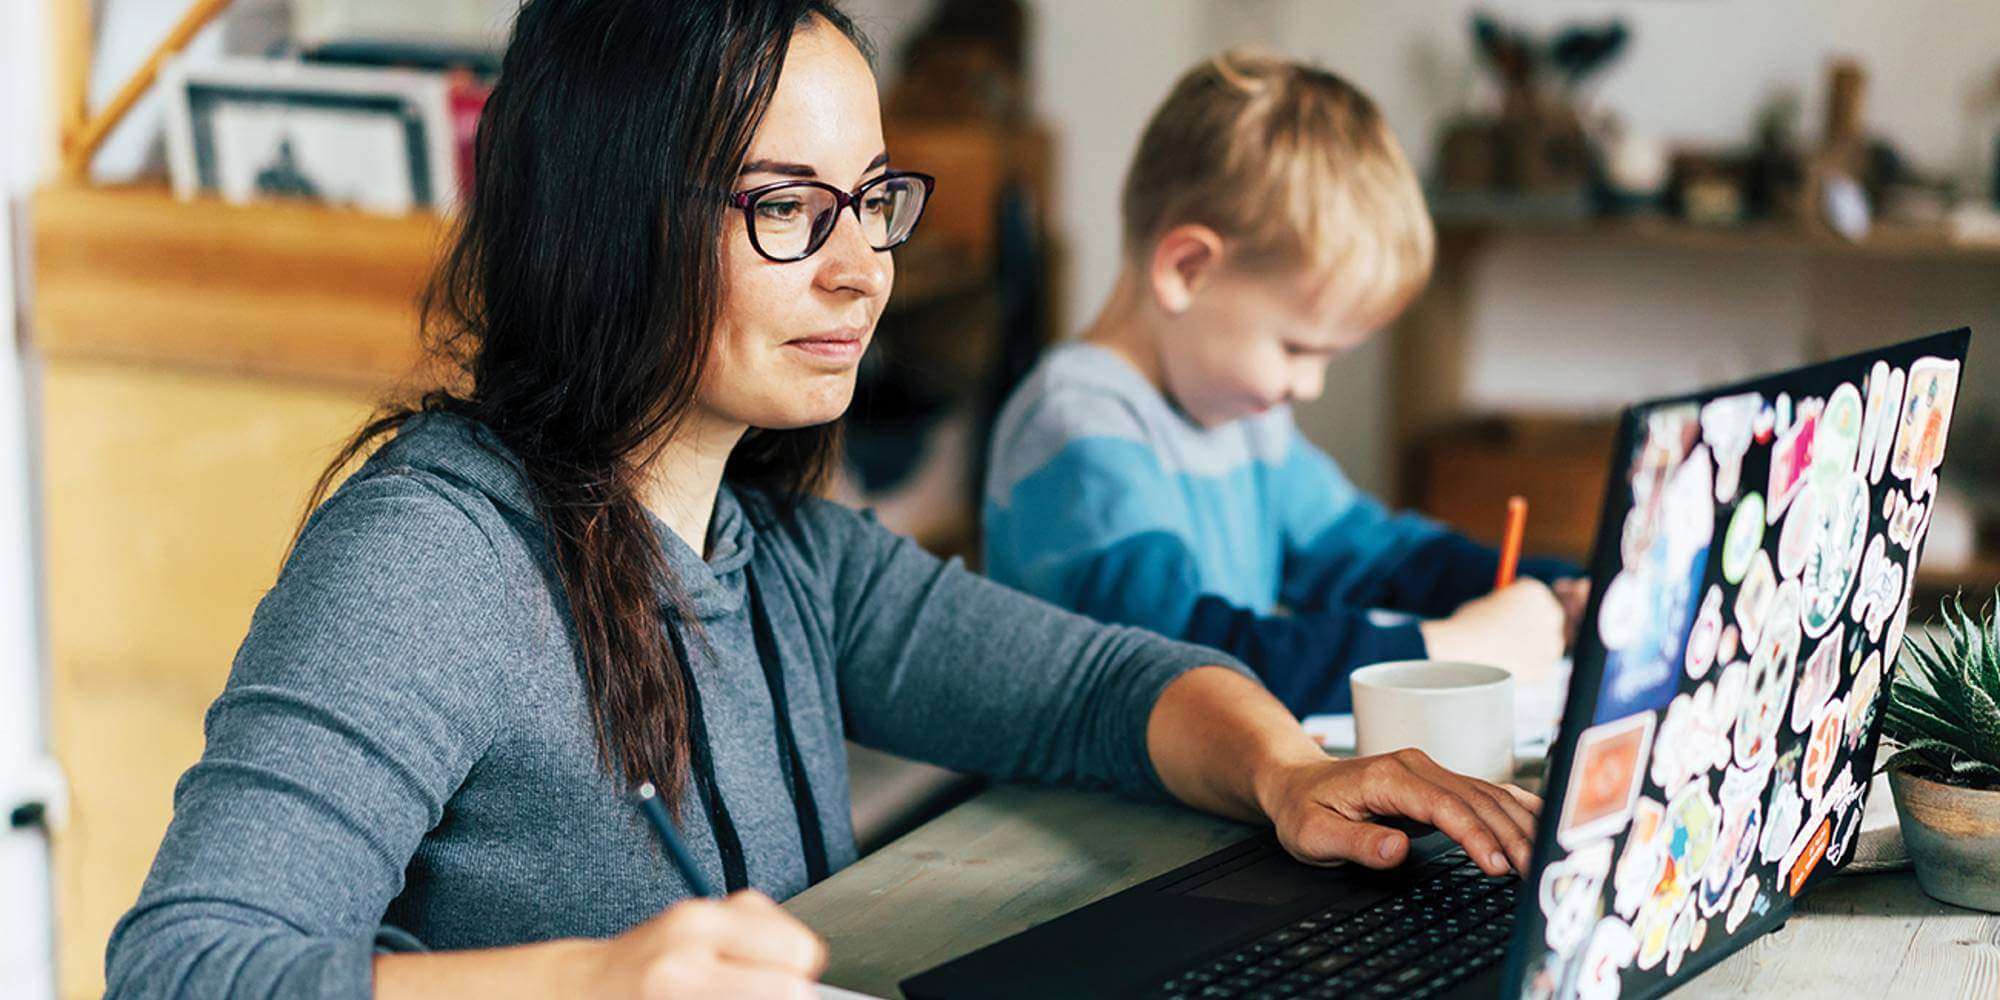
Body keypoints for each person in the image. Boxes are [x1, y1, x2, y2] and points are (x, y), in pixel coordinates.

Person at [106, 6, 1541, 997]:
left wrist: (1287, 773)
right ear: (617, 219)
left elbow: (1097, 687)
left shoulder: (780, 550)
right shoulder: (430, 556)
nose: (861, 269)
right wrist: (592, 981)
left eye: (870, 201)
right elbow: (183, 966)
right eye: (787, 207)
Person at [983, 52, 1587, 716]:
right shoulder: (1078, 429)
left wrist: (1559, 588)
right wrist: (1442, 648)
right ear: (1187, 270)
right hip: (1069, 809)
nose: (1310, 386)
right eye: (1297, 347)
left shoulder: (1242, 418)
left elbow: (1377, 558)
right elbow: (1191, 662)